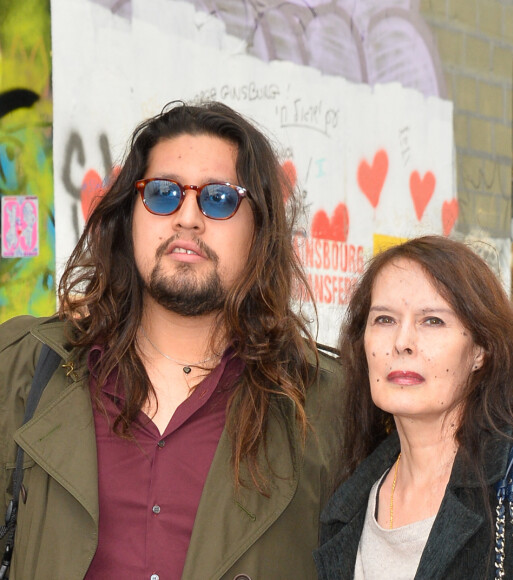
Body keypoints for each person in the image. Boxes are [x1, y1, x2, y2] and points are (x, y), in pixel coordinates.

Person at [0, 101, 345, 579]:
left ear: (260, 229)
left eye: (219, 198)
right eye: (163, 194)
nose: (187, 217)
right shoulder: (22, 367)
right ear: (130, 216)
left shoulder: (325, 406)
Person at [314, 235, 513, 579]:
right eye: (384, 319)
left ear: (481, 350)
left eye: (432, 321)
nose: (402, 343)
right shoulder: (349, 498)